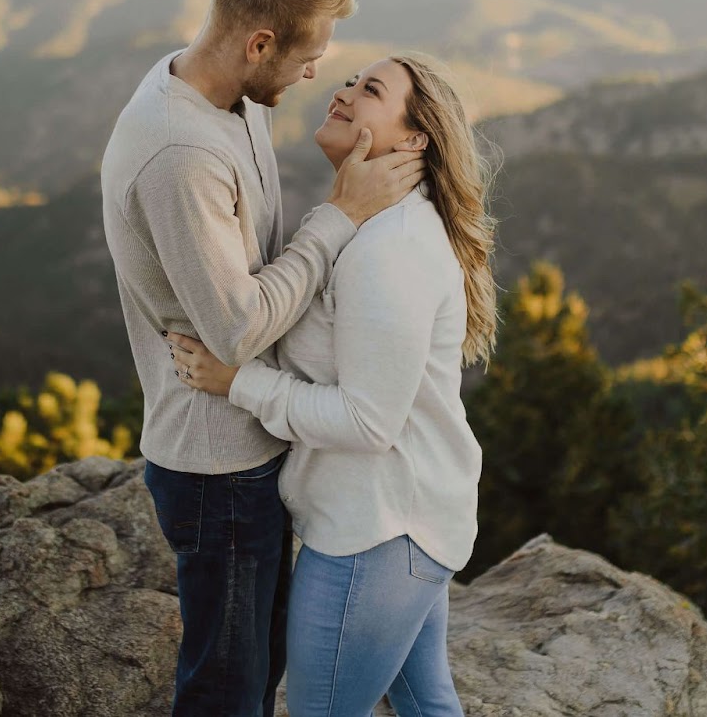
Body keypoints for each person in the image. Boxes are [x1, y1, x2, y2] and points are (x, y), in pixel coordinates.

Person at [100, 0, 425, 717]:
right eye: (307, 55)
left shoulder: (230, 99)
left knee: (254, 666)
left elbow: (257, 264)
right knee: (227, 689)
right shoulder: (180, 151)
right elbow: (238, 327)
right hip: (218, 464)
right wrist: (343, 214)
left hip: (250, 438)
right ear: (258, 42)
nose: (318, 75)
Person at [171, 51, 495, 717]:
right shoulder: (374, 226)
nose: (344, 91)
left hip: (376, 536)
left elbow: (367, 421)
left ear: (413, 140)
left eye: (371, 89)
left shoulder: (392, 247)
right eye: (351, 79)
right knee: (427, 704)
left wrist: (238, 383)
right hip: (403, 521)